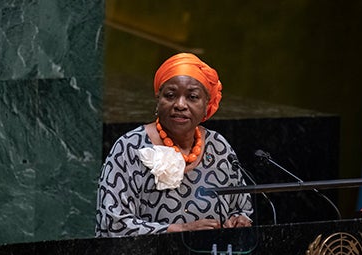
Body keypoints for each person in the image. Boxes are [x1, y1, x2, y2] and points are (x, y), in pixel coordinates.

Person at [96, 53, 253, 237]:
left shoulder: (218, 147)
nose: (180, 104)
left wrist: (239, 220)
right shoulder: (130, 148)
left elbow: (242, 206)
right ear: (158, 100)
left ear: (206, 106)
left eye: (192, 97)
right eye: (170, 95)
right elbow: (113, 223)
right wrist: (180, 230)